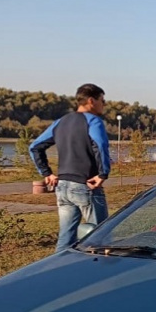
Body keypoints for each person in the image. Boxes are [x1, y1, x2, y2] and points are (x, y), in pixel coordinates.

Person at [30, 83, 111, 252]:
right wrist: (103, 174)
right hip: (86, 184)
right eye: (102, 100)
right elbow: (100, 146)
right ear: (91, 101)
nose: (104, 104)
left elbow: (35, 146)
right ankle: (97, 272)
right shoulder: (94, 121)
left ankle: (58, 269)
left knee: (65, 237)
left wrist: (46, 173)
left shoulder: (61, 122)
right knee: (100, 235)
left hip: (63, 186)